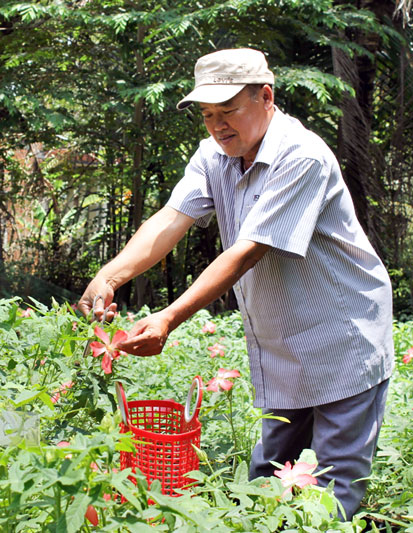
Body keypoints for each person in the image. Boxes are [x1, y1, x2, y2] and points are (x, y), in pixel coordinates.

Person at [77, 48, 394, 519]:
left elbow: (247, 251)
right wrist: (110, 275)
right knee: (265, 481)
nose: (218, 125)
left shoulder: (301, 156)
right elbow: (172, 217)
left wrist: (168, 317)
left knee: (334, 491)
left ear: (266, 97)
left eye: (228, 111)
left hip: (341, 339)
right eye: (208, 115)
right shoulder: (214, 155)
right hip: (284, 345)